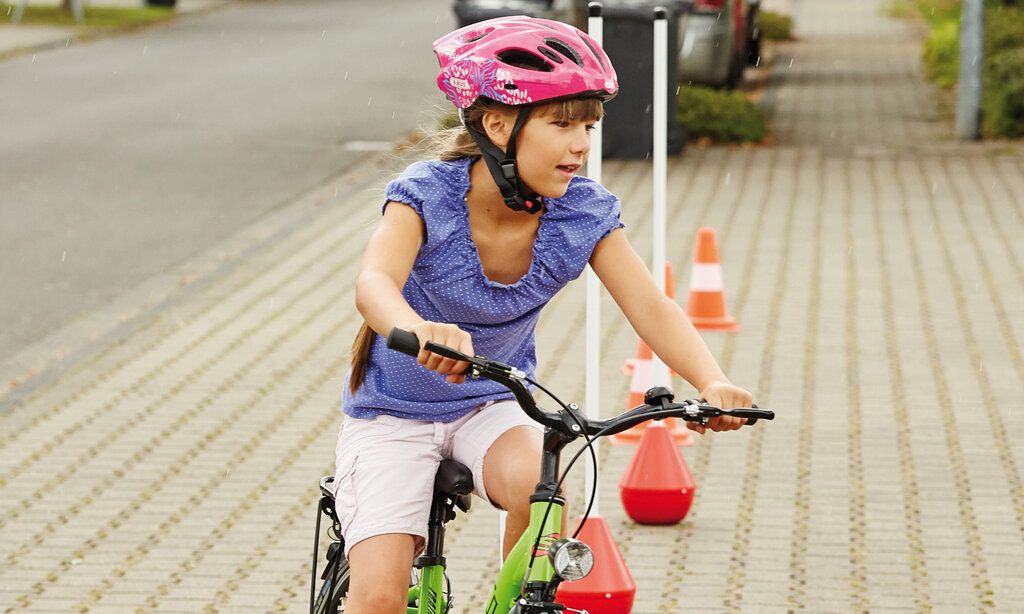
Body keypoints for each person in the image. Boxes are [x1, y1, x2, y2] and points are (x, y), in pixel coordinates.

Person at [334, 15, 754, 613]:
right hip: (392, 415)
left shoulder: (581, 213)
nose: (581, 143)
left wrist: (710, 381)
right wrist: (414, 325)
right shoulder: (426, 192)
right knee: (379, 597)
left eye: (589, 124)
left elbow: (650, 306)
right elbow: (374, 281)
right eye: (561, 124)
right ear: (498, 124)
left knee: (546, 488)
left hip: (491, 406)